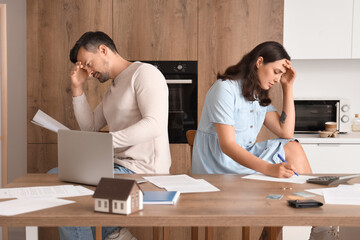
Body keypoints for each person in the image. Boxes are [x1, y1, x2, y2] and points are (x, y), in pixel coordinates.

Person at [191, 41, 338, 239]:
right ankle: (318, 228)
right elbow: (227, 146)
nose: (278, 79)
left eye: (281, 75)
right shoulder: (224, 89)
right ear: (259, 62)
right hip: (218, 166)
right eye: (276, 72)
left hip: (244, 161)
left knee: (292, 149)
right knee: (281, 175)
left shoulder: (257, 94)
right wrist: (269, 168)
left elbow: (286, 132)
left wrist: (288, 87)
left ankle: (319, 226)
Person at [58, 31, 171, 240]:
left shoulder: (144, 74)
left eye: (89, 64)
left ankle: (113, 232)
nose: (89, 73)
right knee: (55, 175)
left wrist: (104, 143)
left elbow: (154, 124)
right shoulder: (112, 91)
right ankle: (114, 232)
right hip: (117, 167)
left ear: (103, 50)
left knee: (69, 188)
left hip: (142, 170)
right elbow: (90, 128)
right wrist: (77, 88)